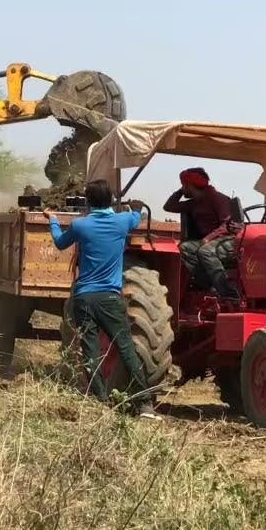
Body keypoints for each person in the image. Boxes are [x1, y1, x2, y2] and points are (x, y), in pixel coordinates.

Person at [44, 179, 160, 419]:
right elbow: (137, 216)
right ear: (111, 201)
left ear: (87, 201)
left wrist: (53, 220)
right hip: (110, 298)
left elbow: (59, 242)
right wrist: (135, 207)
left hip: (84, 298)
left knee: (90, 349)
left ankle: (100, 402)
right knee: (126, 348)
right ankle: (145, 404)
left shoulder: (80, 225)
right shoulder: (123, 221)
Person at [163, 167, 239, 299]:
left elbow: (226, 226)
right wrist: (182, 190)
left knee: (205, 251)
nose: (182, 188)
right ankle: (209, 285)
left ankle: (228, 293)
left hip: (228, 240)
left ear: (190, 185)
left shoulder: (217, 198)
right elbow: (169, 206)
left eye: (183, 185)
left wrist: (207, 239)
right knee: (184, 248)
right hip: (209, 242)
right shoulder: (194, 203)